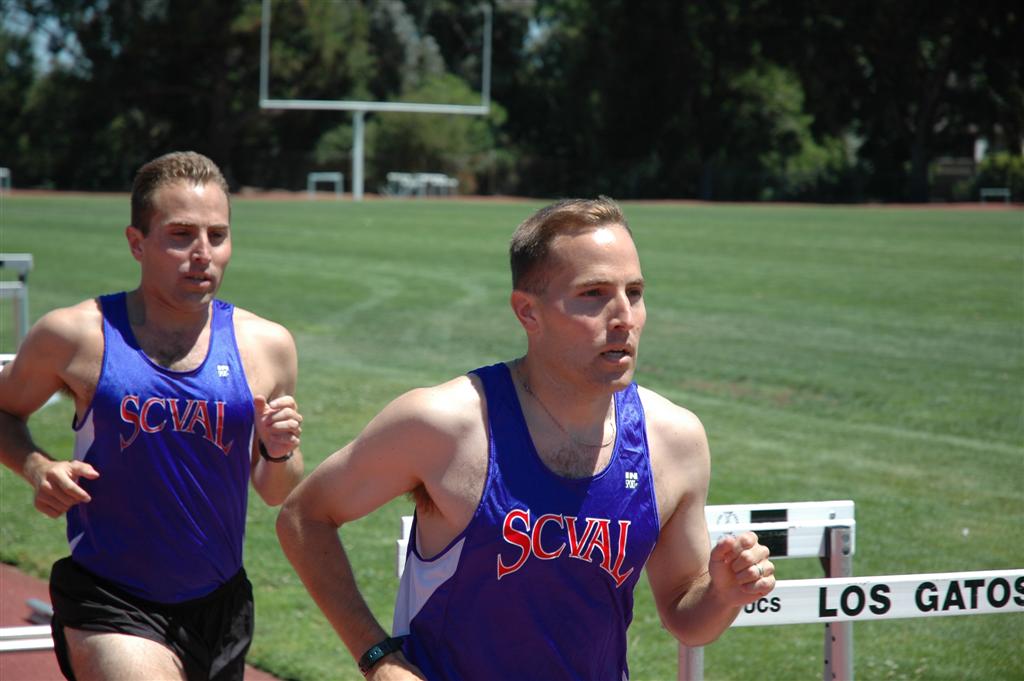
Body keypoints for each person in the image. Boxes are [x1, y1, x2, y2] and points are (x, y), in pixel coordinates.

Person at [276, 197, 775, 680]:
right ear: (528, 312)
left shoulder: (674, 440)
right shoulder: (444, 424)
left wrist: (723, 593)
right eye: (594, 294)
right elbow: (304, 518)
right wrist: (378, 658)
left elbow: (687, 617)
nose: (624, 316)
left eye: (635, 292)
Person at [0, 151, 304, 681]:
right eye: (181, 235)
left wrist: (278, 452)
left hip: (221, 606)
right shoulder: (76, 335)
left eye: (217, 235)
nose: (202, 254)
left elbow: (277, 489)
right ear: (136, 243)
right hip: (109, 596)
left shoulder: (267, 346)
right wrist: (37, 466)